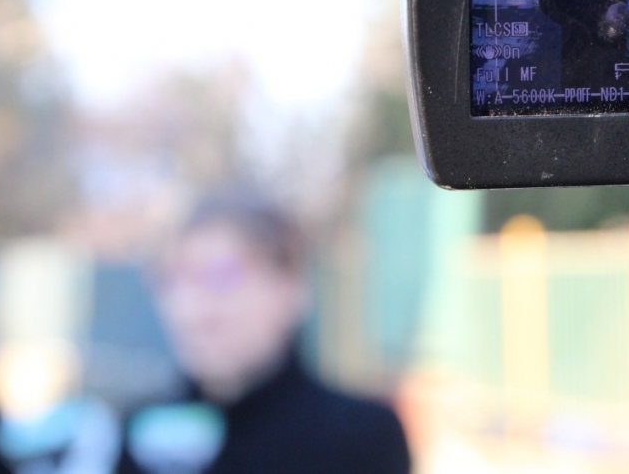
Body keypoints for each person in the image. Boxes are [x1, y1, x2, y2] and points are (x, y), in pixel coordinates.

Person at [117, 188, 410, 474]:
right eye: (173, 279)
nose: (191, 307)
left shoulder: (359, 436)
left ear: (291, 288)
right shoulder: (144, 434)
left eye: (221, 275)